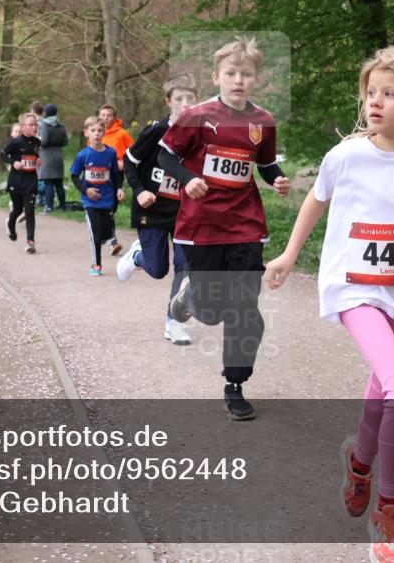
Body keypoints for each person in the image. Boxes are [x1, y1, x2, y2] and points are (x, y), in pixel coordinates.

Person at [265, 46, 394, 562]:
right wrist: (290, 255)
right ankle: (390, 513)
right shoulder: (347, 156)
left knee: (383, 390)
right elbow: (316, 201)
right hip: (354, 287)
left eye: (389, 93)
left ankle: (359, 462)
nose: (374, 102)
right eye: (370, 92)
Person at [157, 36, 290, 422]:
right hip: (201, 225)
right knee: (213, 312)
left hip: (246, 224)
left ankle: (235, 384)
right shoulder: (197, 116)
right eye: (231, 73)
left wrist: (278, 179)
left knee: (246, 309)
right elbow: (166, 154)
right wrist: (186, 178)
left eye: (246, 74)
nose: (238, 80)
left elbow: (265, 164)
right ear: (217, 76)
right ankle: (189, 301)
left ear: (256, 80)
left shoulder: (262, 121)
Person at [119, 76, 198, 345]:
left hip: (183, 211)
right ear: (168, 101)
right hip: (151, 209)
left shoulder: (201, 134)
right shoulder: (155, 131)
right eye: (179, 99)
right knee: (157, 269)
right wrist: (139, 190)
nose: (185, 104)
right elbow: (129, 162)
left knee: (185, 267)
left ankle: (174, 323)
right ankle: (137, 256)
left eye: (190, 99)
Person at [70, 116, 124, 275]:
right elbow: (74, 176)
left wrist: (119, 189)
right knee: (95, 233)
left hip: (107, 200)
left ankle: (102, 239)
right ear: (86, 133)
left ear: (104, 132)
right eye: (93, 130)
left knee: (105, 234)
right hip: (90, 201)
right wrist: (86, 191)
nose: (96, 134)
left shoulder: (111, 153)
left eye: (100, 130)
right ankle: (96, 265)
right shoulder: (82, 155)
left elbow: (115, 174)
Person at [1, 112, 42, 253]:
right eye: (31, 124)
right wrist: (14, 162)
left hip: (31, 180)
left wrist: (37, 160)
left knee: (29, 211)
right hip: (16, 181)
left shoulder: (37, 142)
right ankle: (10, 223)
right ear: (23, 127)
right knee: (17, 209)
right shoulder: (17, 142)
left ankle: (31, 242)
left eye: (35, 124)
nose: (34, 127)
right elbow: (3, 154)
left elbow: (34, 155)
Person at [100, 103, 134, 255]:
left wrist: (123, 161)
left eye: (109, 115)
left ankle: (105, 234)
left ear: (114, 117)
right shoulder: (97, 133)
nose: (106, 118)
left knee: (111, 209)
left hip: (115, 175)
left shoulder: (122, 134)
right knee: (106, 209)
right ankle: (112, 240)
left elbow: (135, 152)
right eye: (103, 115)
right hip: (99, 177)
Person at [37, 102, 69, 213]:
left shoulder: (44, 125)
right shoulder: (61, 125)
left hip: (47, 155)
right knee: (59, 183)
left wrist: (37, 140)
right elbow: (65, 141)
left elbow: (44, 141)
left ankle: (49, 206)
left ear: (46, 112)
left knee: (48, 182)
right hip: (58, 154)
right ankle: (62, 206)